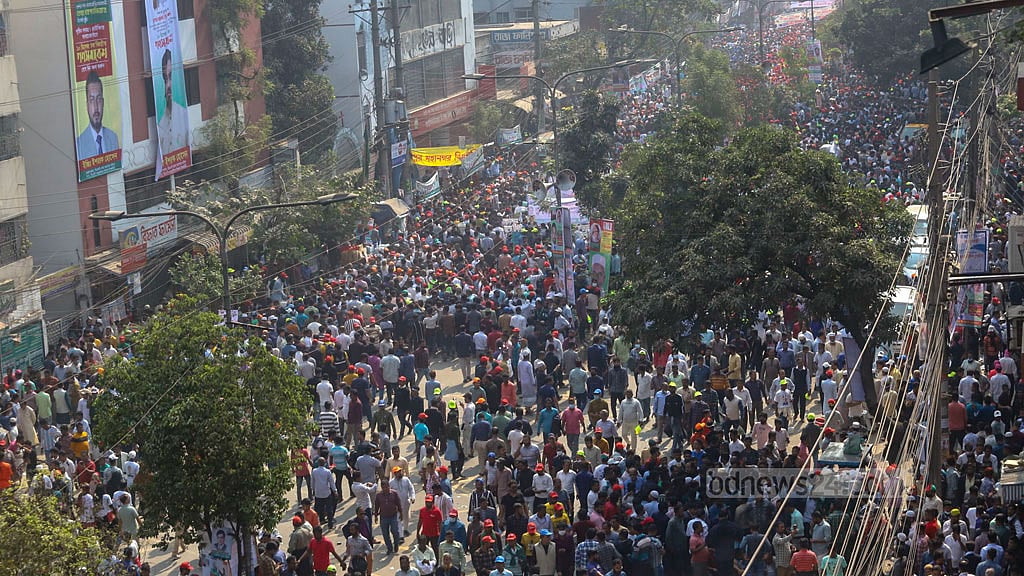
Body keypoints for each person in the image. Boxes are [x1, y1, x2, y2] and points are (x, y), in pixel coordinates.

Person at [76, 72, 119, 160]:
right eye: (92, 100)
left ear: (103, 103)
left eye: (98, 99)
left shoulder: (113, 137)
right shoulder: (79, 144)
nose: (96, 107)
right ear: (87, 105)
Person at [157, 49, 189, 155]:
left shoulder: (183, 115)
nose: (168, 85)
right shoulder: (160, 125)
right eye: (166, 79)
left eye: (170, 77)